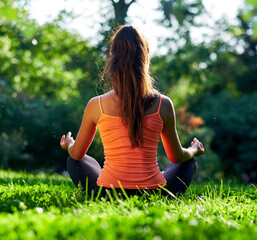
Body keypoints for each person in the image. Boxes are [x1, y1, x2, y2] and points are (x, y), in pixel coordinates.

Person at [60, 25, 204, 198]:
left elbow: (76, 153)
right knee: (188, 163)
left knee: (75, 160)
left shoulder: (96, 105)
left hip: (107, 194)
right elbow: (177, 156)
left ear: (113, 60)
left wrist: (69, 143)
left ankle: (110, 182)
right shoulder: (163, 104)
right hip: (154, 194)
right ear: (145, 60)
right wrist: (194, 149)